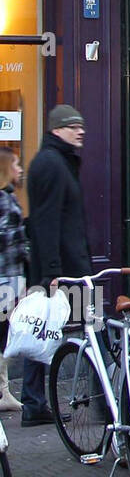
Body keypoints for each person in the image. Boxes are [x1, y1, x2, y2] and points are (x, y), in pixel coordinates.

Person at [22, 105, 90, 427]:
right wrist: (51, 273)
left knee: (44, 332)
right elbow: (46, 221)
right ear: (56, 129)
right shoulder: (51, 164)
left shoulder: (58, 161)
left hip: (63, 266)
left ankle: (34, 403)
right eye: (73, 126)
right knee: (91, 329)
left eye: (82, 126)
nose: (80, 131)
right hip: (62, 270)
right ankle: (103, 402)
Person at [0, 147, 28, 412]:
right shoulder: (6, 201)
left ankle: (4, 393)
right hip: (6, 280)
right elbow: (16, 247)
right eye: (17, 165)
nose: (20, 170)